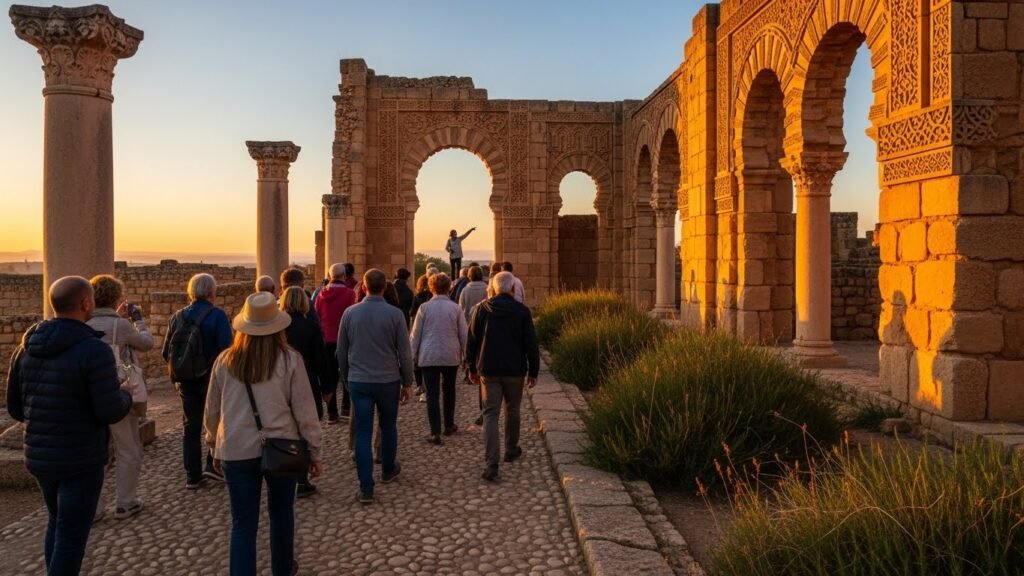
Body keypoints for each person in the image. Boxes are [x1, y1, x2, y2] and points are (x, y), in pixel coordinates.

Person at [6, 276, 132, 574]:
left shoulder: (26, 347)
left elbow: (14, 407)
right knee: (71, 536)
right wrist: (125, 395)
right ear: (86, 303)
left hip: (40, 455)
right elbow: (109, 411)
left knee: (57, 522)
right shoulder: (94, 351)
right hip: (80, 458)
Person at [205, 292, 323, 576]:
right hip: (282, 447)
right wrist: (314, 451)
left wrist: (213, 446)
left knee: (243, 524)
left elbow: (212, 410)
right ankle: (282, 568)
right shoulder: (290, 360)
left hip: (235, 448)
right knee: (281, 513)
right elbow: (305, 411)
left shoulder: (225, 360)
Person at [337, 269, 414, 504]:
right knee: (388, 425)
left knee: (363, 432)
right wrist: (408, 382)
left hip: (359, 380)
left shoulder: (349, 313)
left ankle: (366, 487)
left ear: (363, 287)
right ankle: (388, 469)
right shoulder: (395, 314)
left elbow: (341, 351)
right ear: (384, 287)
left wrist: (346, 378)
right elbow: (404, 352)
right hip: (388, 380)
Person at [87, 274, 153, 521]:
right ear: (115, 297)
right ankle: (125, 502)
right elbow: (146, 343)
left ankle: (93, 507)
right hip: (118, 391)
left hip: (89, 395)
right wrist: (138, 320)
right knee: (128, 448)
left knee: (96, 453)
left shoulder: (83, 323)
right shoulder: (121, 326)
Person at [465, 271, 539, 482]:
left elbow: (472, 340)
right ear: (513, 289)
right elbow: (531, 343)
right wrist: (533, 371)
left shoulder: (482, 309)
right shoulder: (522, 311)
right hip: (515, 369)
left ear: (493, 289)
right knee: (513, 410)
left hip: (489, 369)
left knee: (490, 414)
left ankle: (491, 463)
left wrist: (471, 368)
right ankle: (511, 449)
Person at [162, 273, 233, 489]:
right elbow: (227, 350)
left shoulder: (177, 317)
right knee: (218, 420)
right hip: (212, 378)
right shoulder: (217, 316)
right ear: (212, 292)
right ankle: (213, 465)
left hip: (186, 380)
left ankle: (192, 475)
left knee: (190, 426)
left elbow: (166, 352)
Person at [280, 286, 328, 499]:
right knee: (303, 427)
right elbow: (320, 359)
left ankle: (286, 472)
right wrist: (327, 387)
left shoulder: (278, 326)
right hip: (306, 380)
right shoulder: (310, 326)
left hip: (279, 382)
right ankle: (301, 478)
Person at [410, 273, 467, 445]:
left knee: (432, 394)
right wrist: (466, 356)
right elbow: (463, 334)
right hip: (450, 354)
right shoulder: (455, 308)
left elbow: (415, 335)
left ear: (431, 287)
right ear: (449, 287)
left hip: (429, 354)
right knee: (449, 389)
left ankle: (435, 431)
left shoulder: (424, 308)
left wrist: (411, 356)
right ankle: (449, 424)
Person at [314, 263, 357, 424]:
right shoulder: (350, 294)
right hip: (344, 339)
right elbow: (352, 317)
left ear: (330, 276)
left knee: (330, 375)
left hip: (326, 339)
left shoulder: (321, 294)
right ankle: (346, 408)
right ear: (344, 276)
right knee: (347, 372)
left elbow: (317, 315)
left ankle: (332, 413)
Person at [409, 274, 432, 396]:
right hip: (430, 330)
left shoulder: (417, 297)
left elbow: (412, 312)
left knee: (417, 359)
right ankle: (428, 385)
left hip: (418, 328)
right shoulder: (432, 297)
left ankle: (419, 385)